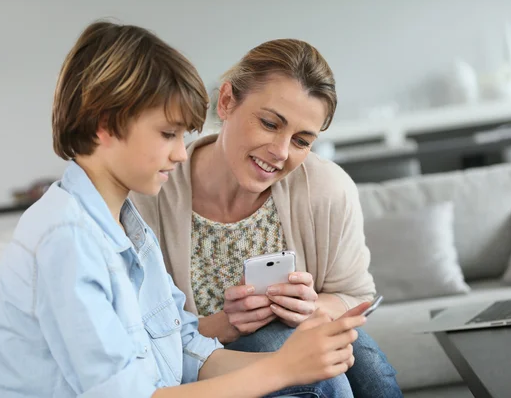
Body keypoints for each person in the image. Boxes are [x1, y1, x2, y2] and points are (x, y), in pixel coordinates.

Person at [0, 20, 369, 398]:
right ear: (105, 124)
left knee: (332, 375)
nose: (182, 153)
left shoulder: (129, 229)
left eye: (183, 136)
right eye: (168, 134)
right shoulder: (66, 238)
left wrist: (291, 364)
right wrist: (281, 369)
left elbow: (185, 350)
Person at [131, 38, 403, 397]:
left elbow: (354, 294)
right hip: (209, 363)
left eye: (302, 141)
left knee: (366, 361)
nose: (280, 152)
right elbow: (144, 336)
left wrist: (311, 308)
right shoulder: (150, 193)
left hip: (298, 341)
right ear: (226, 101)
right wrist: (227, 324)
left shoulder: (328, 188)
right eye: (270, 123)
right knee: (306, 364)